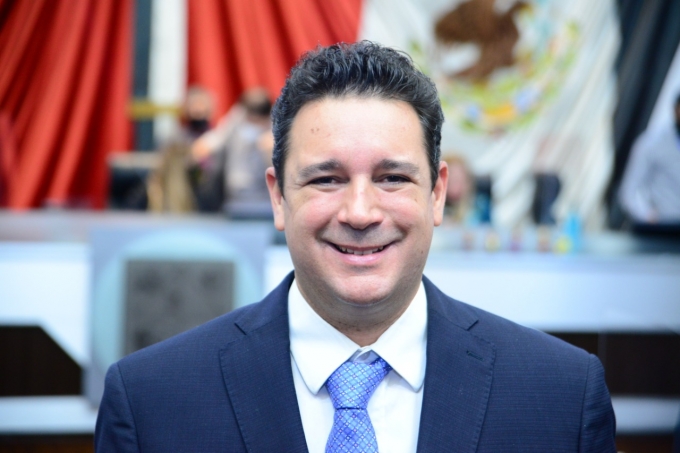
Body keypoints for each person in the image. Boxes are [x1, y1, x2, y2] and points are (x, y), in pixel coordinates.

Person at [95, 42, 616, 452]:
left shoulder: (562, 397)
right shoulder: (151, 402)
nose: (361, 213)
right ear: (278, 198)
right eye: (326, 179)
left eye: (392, 178)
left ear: (437, 194)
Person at [619, 94, 680, 224]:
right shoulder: (651, 143)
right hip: (664, 226)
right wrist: (647, 216)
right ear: (676, 110)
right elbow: (629, 192)